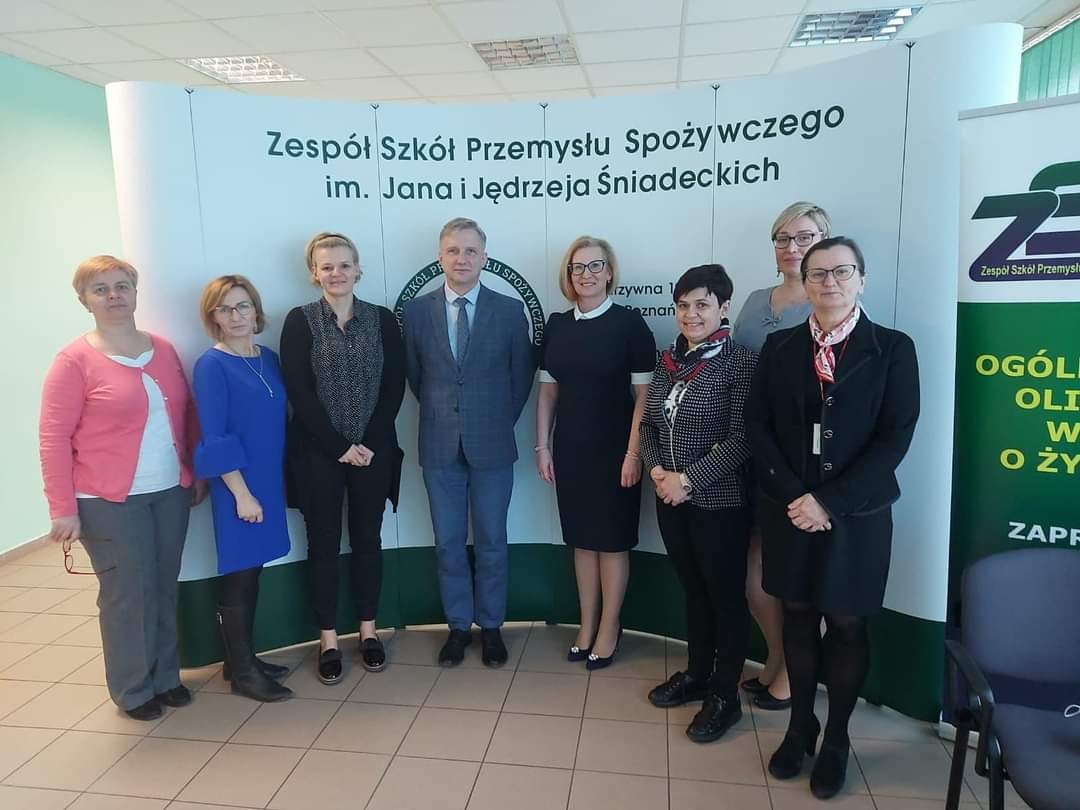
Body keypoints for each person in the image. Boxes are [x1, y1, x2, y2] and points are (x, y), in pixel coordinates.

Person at [747, 236, 919, 799]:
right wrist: (797, 497)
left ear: (861, 279)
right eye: (818, 273)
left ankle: (838, 739)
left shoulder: (892, 349)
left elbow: (894, 438)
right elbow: (758, 427)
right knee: (797, 616)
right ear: (805, 282)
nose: (830, 283)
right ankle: (801, 726)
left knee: (845, 624)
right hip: (790, 510)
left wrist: (829, 502)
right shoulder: (779, 348)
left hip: (857, 516)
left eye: (842, 272)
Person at [39, 255, 206, 721]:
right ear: (84, 301)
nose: (114, 295)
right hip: (107, 500)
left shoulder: (163, 349)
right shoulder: (73, 362)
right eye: (101, 289)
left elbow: (188, 414)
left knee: (163, 585)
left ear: (135, 292)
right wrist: (62, 507)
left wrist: (195, 473)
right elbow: (53, 438)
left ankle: (166, 677)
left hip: (170, 490)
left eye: (122, 286)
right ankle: (133, 690)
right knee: (127, 594)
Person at [403, 217, 534, 668]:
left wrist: (492, 420)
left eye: (471, 251)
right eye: (454, 250)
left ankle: (492, 626)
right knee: (448, 542)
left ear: (485, 257)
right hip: (439, 444)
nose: (462, 258)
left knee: (493, 539)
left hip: (493, 444)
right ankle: (458, 627)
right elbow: (416, 377)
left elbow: (520, 379)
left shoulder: (509, 310)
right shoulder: (417, 313)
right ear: (440, 257)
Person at [280, 232, 406, 685]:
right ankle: (329, 638)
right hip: (318, 453)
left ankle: (368, 632)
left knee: (368, 539)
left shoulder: (382, 319)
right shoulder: (300, 321)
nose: (336, 273)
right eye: (327, 266)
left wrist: (368, 441)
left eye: (344, 265)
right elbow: (299, 391)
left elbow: (394, 384)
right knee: (324, 544)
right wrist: (338, 446)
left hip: (374, 451)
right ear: (314, 273)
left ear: (358, 269)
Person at [640, 264, 757, 743]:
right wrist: (657, 472)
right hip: (669, 497)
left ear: (724, 308)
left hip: (719, 502)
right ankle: (697, 675)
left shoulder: (741, 363)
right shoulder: (668, 360)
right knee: (693, 590)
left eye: (702, 304)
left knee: (725, 598)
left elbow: (743, 437)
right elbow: (648, 426)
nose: (691, 314)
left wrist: (689, 480)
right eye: (683, 305)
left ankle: (725, 696)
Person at [535, 236, 654, 670]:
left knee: (612, 541)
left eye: (595, 265)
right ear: (568, 275)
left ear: (609, 272)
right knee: (582, 541)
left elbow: (644, 398)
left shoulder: (629, 324)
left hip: (616, 452)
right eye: (577, 267)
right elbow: (548, 392)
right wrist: (543, 445)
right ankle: (586, 625)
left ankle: (609, 625)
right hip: (571, 450)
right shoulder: (557, 325)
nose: (586, 274)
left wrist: (633, 453)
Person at [732, 201, 832, 712]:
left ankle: (794, 675)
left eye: (805, 237)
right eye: (783, 238)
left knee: (798, 578)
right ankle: (777, 658)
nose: (792, 247)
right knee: (756, 580)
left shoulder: (829, 302)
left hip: (800, 462)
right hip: (751, 455)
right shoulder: (754, 301)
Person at [193, 275, 292, 703]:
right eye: (225, 308)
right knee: (240, 572)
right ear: (213, 317)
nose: (235, 316)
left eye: (242, 306)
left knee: (254, 568)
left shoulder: (267, 357)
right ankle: (243, 673)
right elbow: (214, 437)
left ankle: (240, 661)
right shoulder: (211, 365)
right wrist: (242, 494)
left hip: (268, 478)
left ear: (255, 310)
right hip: (238, 484)